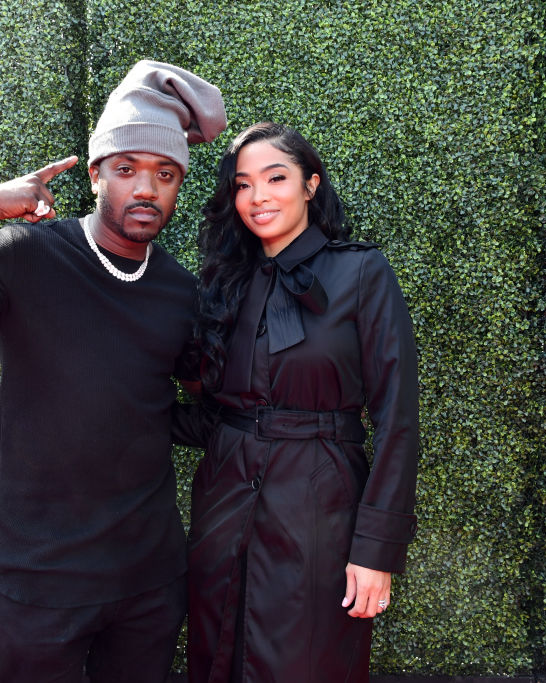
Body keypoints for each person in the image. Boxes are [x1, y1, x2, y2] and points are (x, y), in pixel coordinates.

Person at [0, 61, 226, 683]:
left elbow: (207, 406)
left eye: (165, 173)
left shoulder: (180, 291)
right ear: (95, 175)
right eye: (126, 169)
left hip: (149, 579)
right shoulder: (27, 255)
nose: (147, 189)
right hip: (39, 579)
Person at [175, 122, 420, 683]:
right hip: (222, 504)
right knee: (215, 659)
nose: (258, 197)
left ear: (311, 185)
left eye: (275, 178)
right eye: (242, 185)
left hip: (320, 510)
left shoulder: (362, 271)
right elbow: (214, 413)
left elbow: (397, 420)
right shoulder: (224, 283)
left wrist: (376, 549)